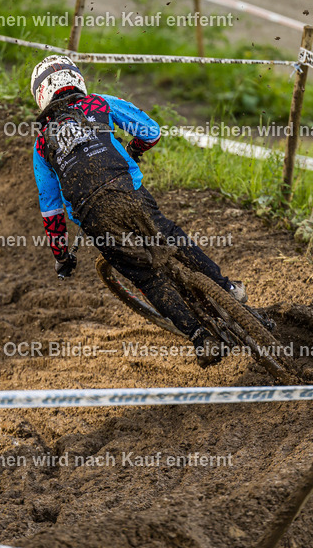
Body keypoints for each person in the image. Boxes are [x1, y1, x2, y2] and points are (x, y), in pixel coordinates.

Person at [30, 55, 246, 368]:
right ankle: (228, 289)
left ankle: (201, 337)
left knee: (146, 277)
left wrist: (62, 257)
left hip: (93, 216)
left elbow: (51, 212)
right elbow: (151, 132)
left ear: (41, 96)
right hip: (126, 191)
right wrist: (133, 150)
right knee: (171, 236)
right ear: (77, 80)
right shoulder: (99, 103)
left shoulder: (40, 144)